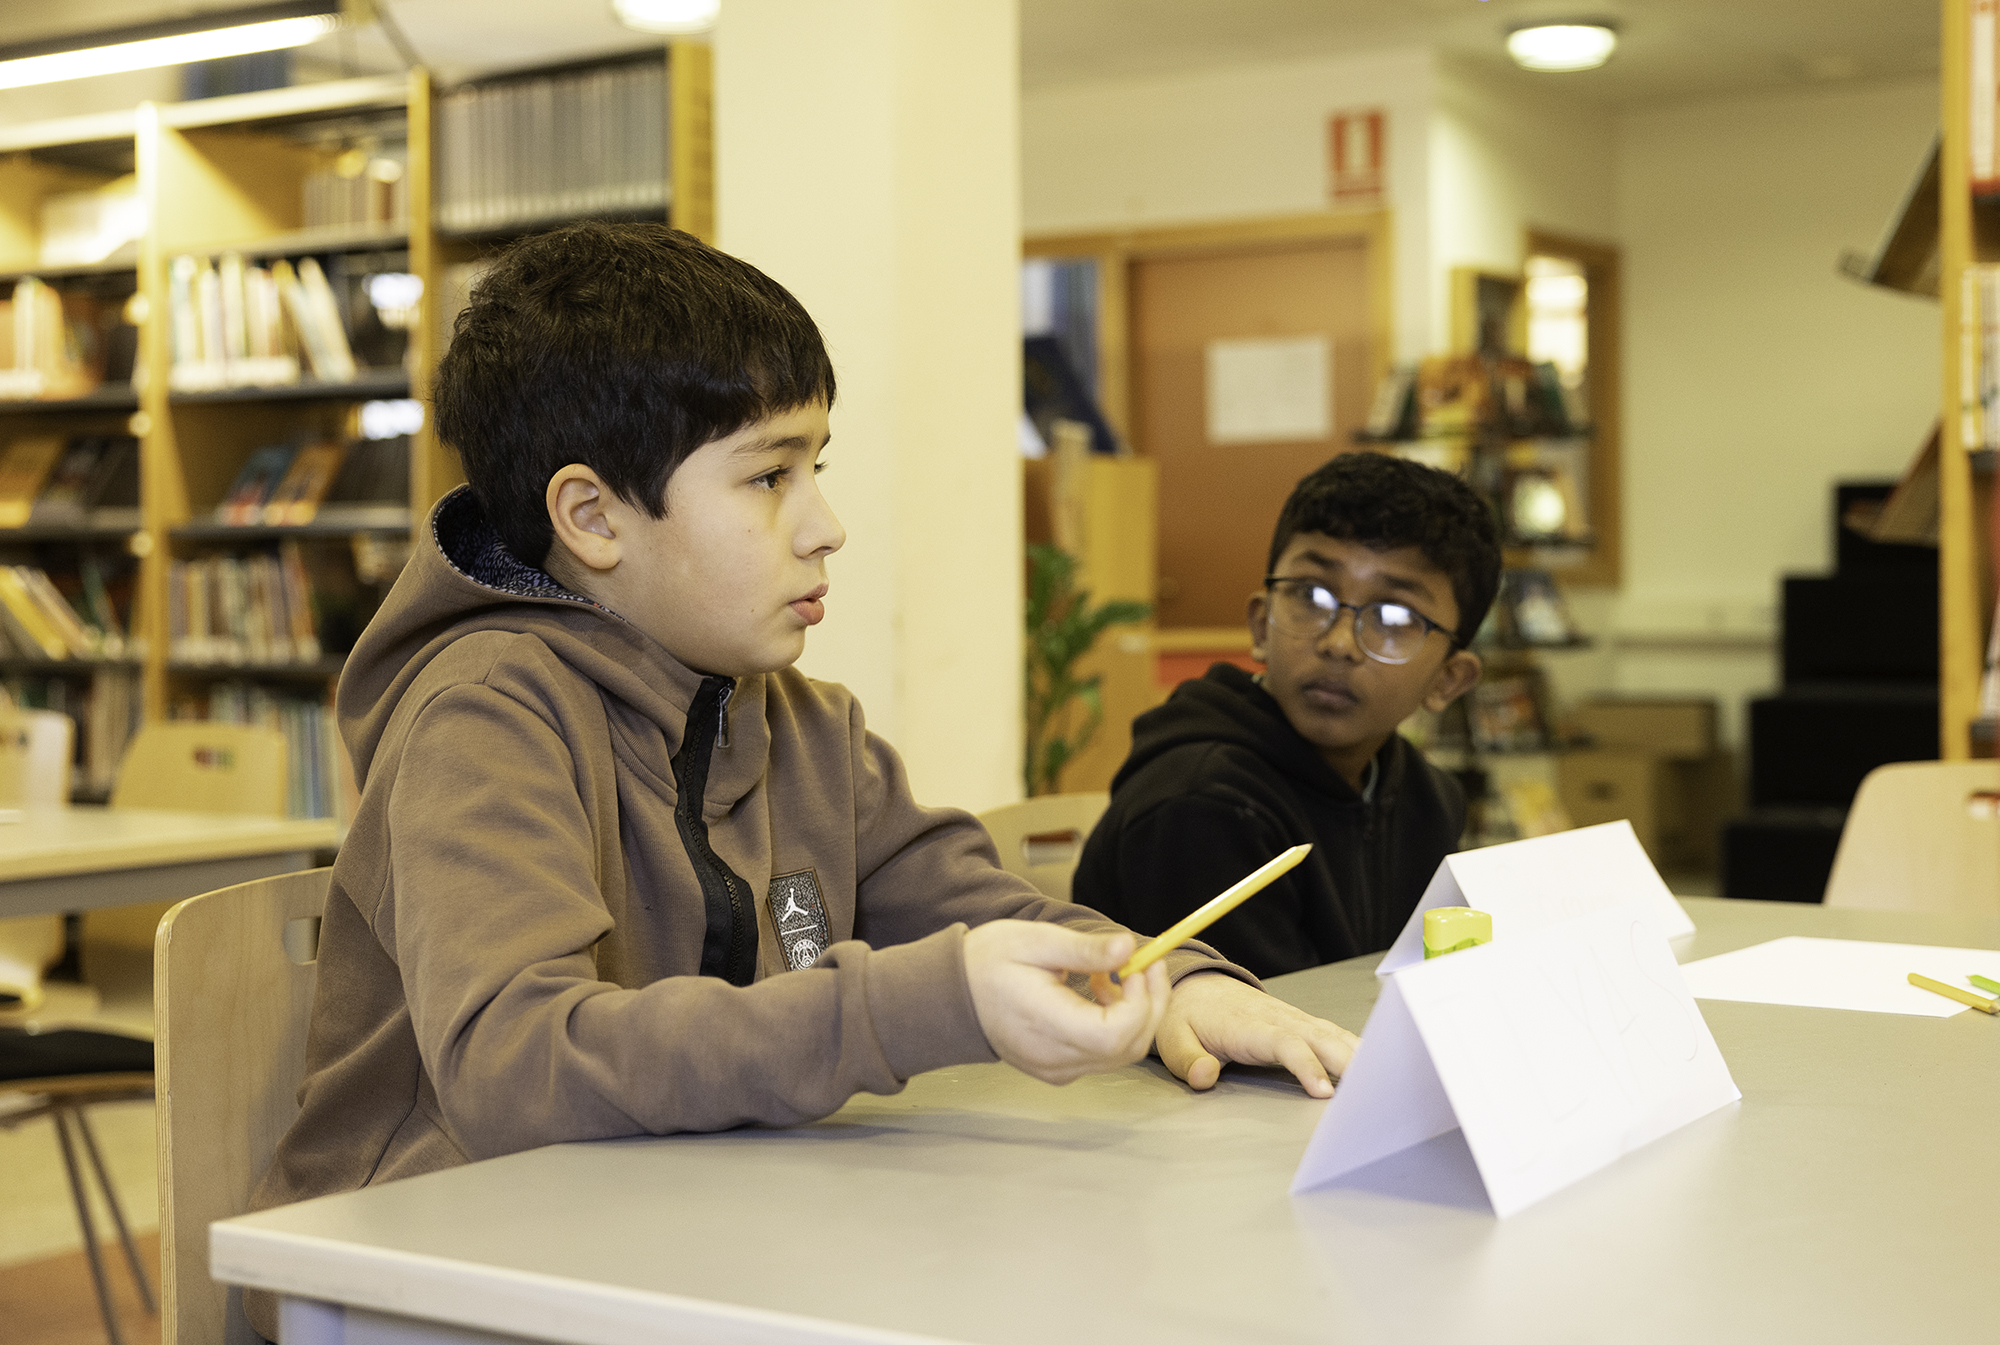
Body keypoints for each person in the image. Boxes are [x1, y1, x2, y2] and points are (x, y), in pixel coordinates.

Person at [245, 224, 1356, 1334]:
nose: (824, 526)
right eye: (769, 476)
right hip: (423, 1276)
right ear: (591, 518)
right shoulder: (484, 713)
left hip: (671, 1239)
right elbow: (515, 1068)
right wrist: (926, 1000)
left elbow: (978, 903)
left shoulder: (801, 725)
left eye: (813, 467)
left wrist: (1180, 985)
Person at [1072, 452, 1499, 979]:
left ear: (1447, 680)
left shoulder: (1429, 798)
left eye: (1394, 616)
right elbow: (1253, 1037)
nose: (1339, 643)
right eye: (1312, 596)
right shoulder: (1202, 803)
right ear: (1260, 624)